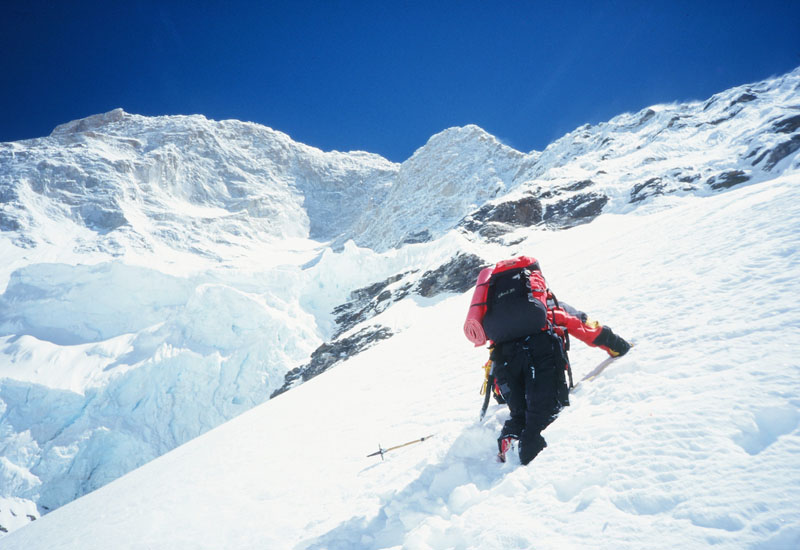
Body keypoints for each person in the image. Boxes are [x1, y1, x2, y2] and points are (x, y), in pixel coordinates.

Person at [465, 255, 631, 465]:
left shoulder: (499, 322)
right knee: (543, 417)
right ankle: (531, 467)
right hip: (541, 356)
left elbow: (493, 364)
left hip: (506, 363)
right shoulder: (548, 307)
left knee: (519, 415)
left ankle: (509, 447)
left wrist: (500, 394)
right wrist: (618, 345)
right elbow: (584, 326)